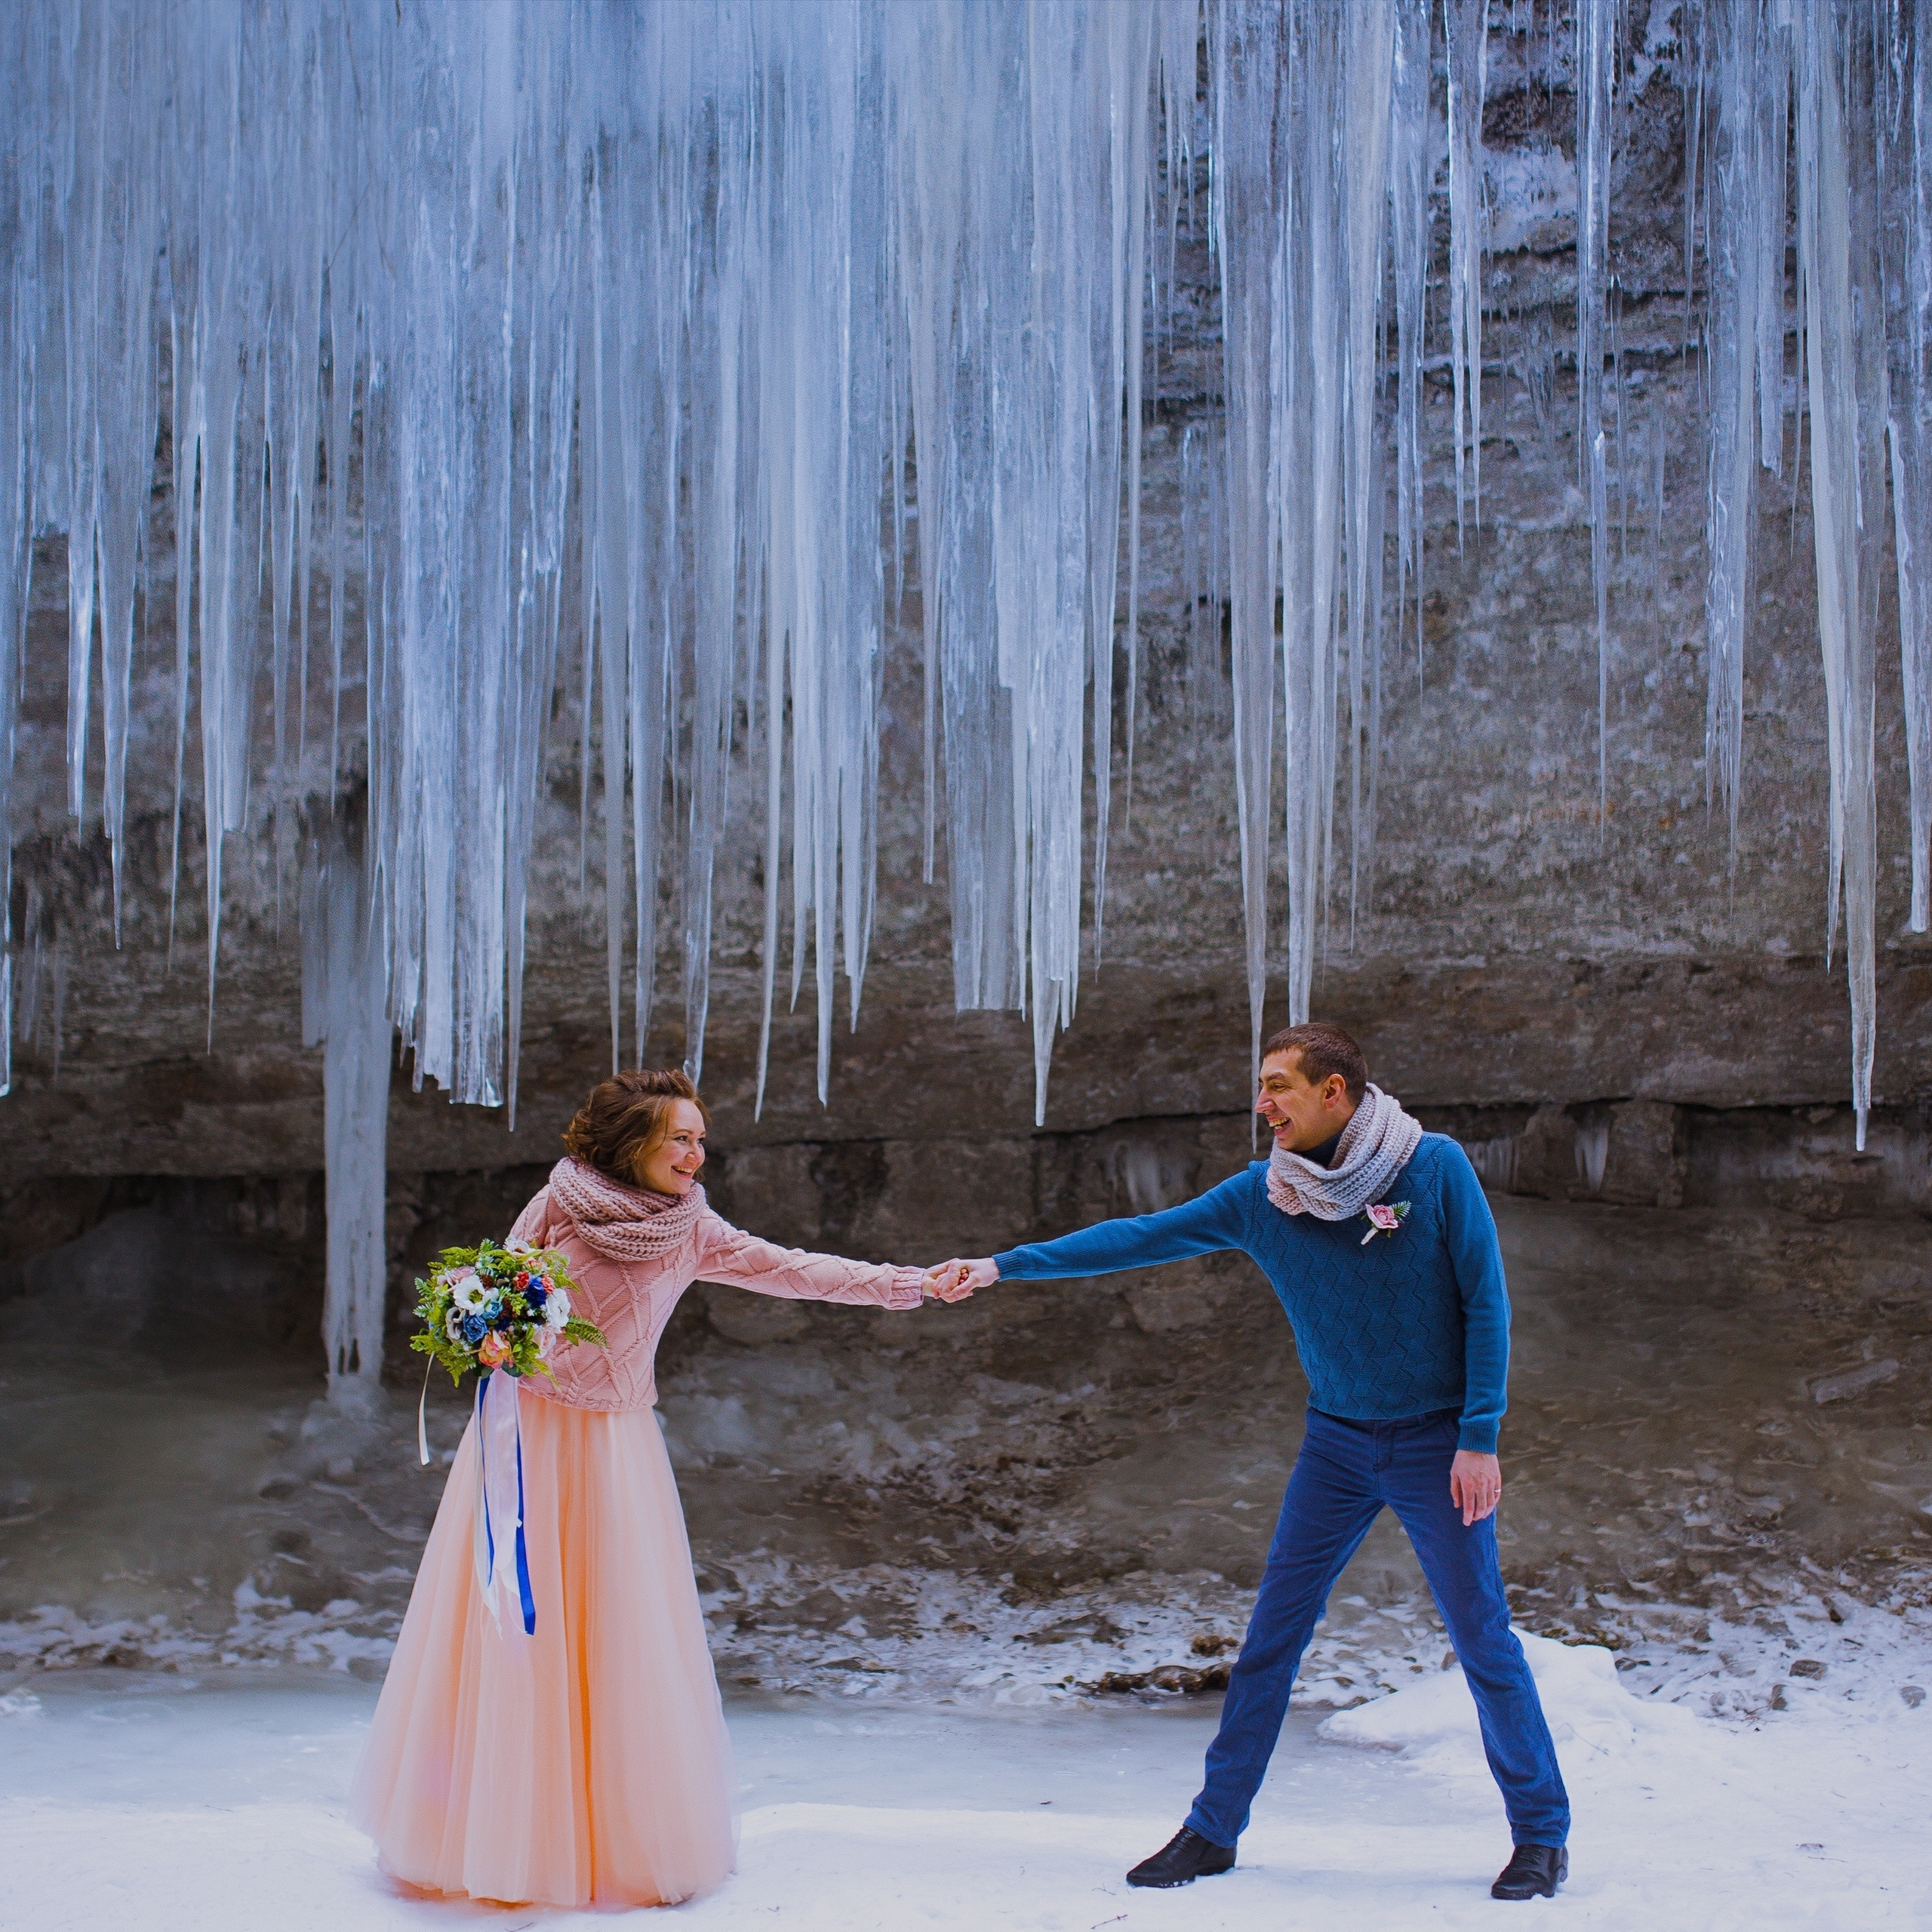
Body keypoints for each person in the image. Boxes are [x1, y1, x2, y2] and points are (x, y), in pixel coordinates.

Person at [929, 1022, 1571, 1904]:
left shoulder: (1432, 1168)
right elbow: (1139, 1236)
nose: (1262, 1103)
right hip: (1336, 1446)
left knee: (1482, 1640)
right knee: (1270, 1640)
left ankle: (1540, 1835)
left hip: (1435, 1445)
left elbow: (1485, 1303)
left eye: (1278, 1085)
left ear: (1334, 1091)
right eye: (1260, 1085)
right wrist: (1002, 1266)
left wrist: (1479, 1436)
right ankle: (1213, 1828)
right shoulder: (1264, 1197)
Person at [350, 1068, 968, 1909]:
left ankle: (613, 1843)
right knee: (511, 1624)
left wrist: (908, 1283)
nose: (695, 1153)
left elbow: (791, 1269)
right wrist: (481, 1329)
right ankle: (491, 1836)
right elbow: (498, 1293)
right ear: (631, 1141)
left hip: (613, 1450)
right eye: (679, 1137)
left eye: (700, 1138)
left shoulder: (692, 1228)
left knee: (615, 1631)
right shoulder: (558, 1202)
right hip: (523, 1439)